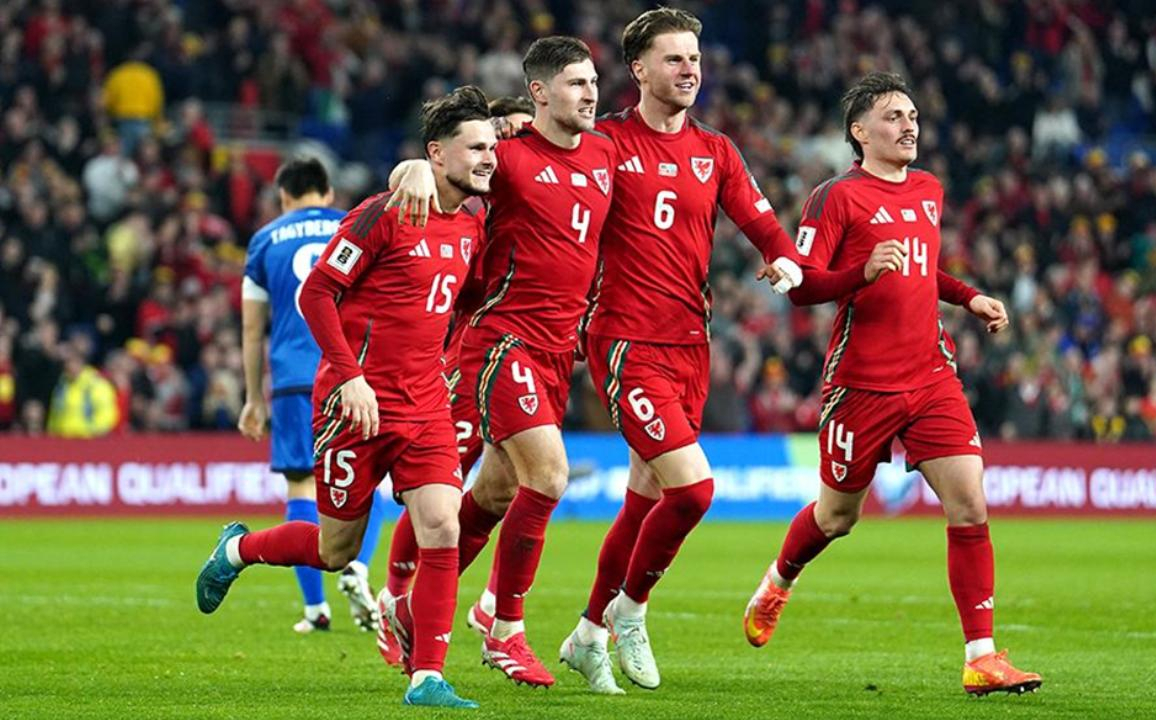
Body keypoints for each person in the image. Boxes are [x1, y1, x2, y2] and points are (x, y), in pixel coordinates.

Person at [741, 71, 1042, 697]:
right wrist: (862, 271)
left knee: (970, 502)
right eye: (894, 117)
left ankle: (981, 657)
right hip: (862, 385)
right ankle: (778, 581)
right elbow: (802, 286)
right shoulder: (835, 197)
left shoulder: (929, 189)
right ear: (860, 132)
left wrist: (969, 297)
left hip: (931, 375)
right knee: (837, 516)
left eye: (913, 116)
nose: (909, 126)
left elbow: (923, 270)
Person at [196, 85, 496, 709]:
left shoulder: (473, 223)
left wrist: (447, 362)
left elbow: (462, 302)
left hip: (425, 406)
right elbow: (317, 294)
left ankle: (427, 677)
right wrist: (350, 374)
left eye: (491, 147)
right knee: (336, 551)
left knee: (442, 525)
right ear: (437, 154)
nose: (488, 158)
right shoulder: (384, 213)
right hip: (352, 404)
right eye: (475, 148)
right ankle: (238, 549)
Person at [559, 7, 806, 694]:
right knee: (694, 489)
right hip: (624, 339)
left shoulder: (715, 150)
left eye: (694, 57)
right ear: (639, 69)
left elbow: (759, 218)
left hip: (690, 344)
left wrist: (783, 256)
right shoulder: (606, 141)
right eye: (674, 58)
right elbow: (545, 153)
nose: (690, 68)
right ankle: (630, 611)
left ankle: (587, 635)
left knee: (645, 496)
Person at [380, 36, 619, 688]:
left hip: (558, 350)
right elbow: (444, 168)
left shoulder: (604, 153)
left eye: (593, 82)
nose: (590, 94)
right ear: (539, 92)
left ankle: (408, 604)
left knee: (494, 491)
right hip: (502, 338)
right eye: (575, 83)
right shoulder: (508, 155)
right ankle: (502, 624)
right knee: (550, 475)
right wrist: (411, 168)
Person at [239, 157, 386, 634]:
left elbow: (252, 328)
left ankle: (315, 608)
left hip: (292, 379)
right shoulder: (354, 224)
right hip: (353, 372)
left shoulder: (265, 240)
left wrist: (253, 397)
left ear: (284, 197)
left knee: (301, 485)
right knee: (368, 478)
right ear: (327, 193)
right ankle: (358, 567)